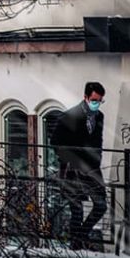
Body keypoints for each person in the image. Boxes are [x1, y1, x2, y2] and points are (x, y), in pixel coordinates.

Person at [51, 81, 108, 249]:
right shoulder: (69, 116)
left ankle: (80, 236)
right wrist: (71, 158)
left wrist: (96, 158)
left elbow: (98, 141)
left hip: (92, 168)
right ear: (85, 97)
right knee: (76, 208)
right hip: (72, 168)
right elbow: (55, 142)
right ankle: (76, 245)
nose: (97, 104)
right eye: (95, 100)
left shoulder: (99, 117)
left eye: (100, 100)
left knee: (101, 205)